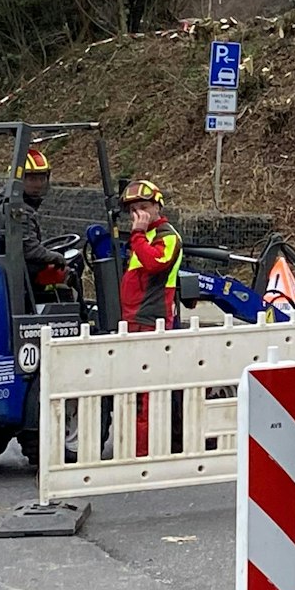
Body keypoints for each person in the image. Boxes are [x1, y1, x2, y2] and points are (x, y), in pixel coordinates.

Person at [119, 179, 183, 457]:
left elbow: (155, 263)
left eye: (144, 208)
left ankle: (143, 451)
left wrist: (137, 234)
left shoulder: (167, 237)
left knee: (145, 391)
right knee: (133, 386)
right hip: (133, 318)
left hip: (151, 319)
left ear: (158, 206)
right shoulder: (143, 238)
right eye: (134, 210)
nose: (139, 215)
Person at [0, 149, 69, 289]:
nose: (38, 184)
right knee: (72, 267)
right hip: (20, 271)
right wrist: (56, 256)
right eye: (32, 179)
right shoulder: (17, 210)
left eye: (42, 178)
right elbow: (31, 251)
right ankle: (80, 310)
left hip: (5, 266)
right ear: (17, 180)